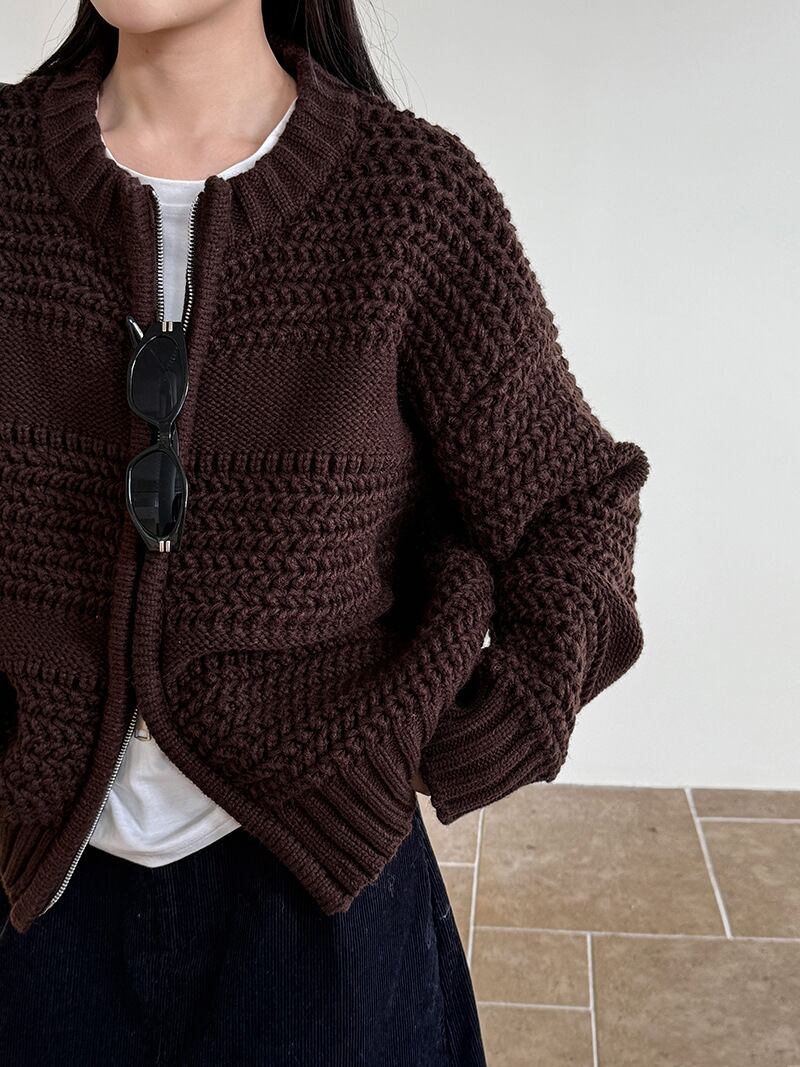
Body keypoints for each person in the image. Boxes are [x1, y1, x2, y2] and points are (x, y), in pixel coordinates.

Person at [0, 1, 650, 1064]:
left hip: (321, 912)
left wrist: (509, 714)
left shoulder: (408, 199)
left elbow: (571, 501)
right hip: (35, 899)